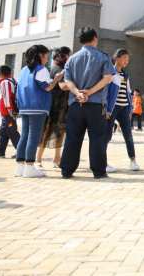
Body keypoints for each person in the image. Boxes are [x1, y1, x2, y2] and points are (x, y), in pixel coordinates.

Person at [60, 27, 116, 179]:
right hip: (96, 105)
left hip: (75, 104)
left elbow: (67, 80)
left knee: (72, 137)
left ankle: (67, 170)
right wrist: (89, 92)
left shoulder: (72, 59)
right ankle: (99, 171)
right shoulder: (103, 57)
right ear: (95, 38)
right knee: (97, 138)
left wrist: (78, 93)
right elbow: (107, 78)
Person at [15, 45, 63, 178]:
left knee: (24, 136)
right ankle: (30, 166)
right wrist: (57, 79)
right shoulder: (41, 69)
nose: (47, 58)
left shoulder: (24, 70)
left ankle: (20, 167)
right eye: (46, 55)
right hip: (38, 107)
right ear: (40, 56)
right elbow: (47, 87)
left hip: (24, 106)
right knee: (33, 137)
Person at [105, 49, 140, 172]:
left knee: (128, 135)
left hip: (124, 108)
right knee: (107, 135)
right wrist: (106, 109)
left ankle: (133, 161)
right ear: (117, 58)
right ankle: (103, 162)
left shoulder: (125, 75)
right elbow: (106, 92)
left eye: (128, 59)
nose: (126, 61)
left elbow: (128, 92)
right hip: (112, 109)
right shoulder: (110, 72)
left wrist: (130, 109)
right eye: (125, 58)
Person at [36, 47, 71, 168]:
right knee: (48, 132)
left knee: (57, 133)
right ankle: (39, 159)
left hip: (59, 106)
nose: (68, 58)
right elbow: (63, 86)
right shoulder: (58, 69)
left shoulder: (57, 68)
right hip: (55, 106)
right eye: (67, 55)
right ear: (59, 56)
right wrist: (77, 88)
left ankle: (55, 159)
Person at [0, 65, 20, 158]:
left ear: (0, 73)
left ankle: (21, 151)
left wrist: (10, 111)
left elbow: (7, 98)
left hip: (8, 112)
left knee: (12, 131)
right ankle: (0, 151)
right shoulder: (10, 81)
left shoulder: (5, 82)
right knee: (3, 132)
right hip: (6, 112)